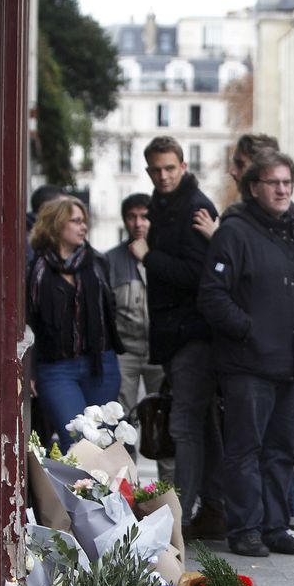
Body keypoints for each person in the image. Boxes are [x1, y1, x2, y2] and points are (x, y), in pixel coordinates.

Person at [197, 149, 294, 558]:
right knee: (245, 449)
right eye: (274, 183)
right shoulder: (234, 231)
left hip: (291, 360)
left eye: (288, 182)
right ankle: (245, 528)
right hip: (248, 363)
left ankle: (275, 526)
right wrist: (250, 331)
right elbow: (212, 298)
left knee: (282, 449)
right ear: (254, 188)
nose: (283, 189)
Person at [127, 136, 224, 538]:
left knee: (186, 426)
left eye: (170, 168)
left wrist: (148, 256)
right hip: (177, 335)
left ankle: (178, 517)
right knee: (200, 425)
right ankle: (211, 510)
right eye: (156, 169)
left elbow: (197, 275)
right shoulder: (162, 206)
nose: (163, 175)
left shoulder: (194, 207)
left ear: (183, 166)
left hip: (192, 335)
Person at [27, 196, 123, 452]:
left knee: (104, 443)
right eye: (76, 221)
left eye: (85, 221)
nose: (83, 227)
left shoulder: (97, 262)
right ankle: (79, 493)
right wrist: (30, 370)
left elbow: (109, 309)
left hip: (100, 364)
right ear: (57, 224)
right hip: (57, 368)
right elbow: (29, 321)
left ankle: (103, 494)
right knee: (77, 443)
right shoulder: (36, 269)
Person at [104, 193, 175, 477]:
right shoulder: (110, 260)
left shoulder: (166, 255)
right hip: (127, 350)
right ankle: (124, 493)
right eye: (132, 217)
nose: (138, 223)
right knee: (121, 422)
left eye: (144, 216)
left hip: (161, 350)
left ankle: (171, 497)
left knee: (165, 420)